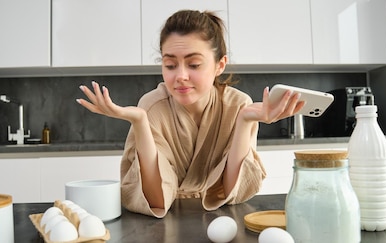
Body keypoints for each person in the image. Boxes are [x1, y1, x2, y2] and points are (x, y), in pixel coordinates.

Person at [76, 10, 304, 218]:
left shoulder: (238, 106)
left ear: (220, 65)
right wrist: (140, 122)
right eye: (170, 65)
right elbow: (154, 200)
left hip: (219, 216)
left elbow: (229, 189)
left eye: (194, 65)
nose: (180, 76)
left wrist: (245, 121)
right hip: (165, 220)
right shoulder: (152, 106)